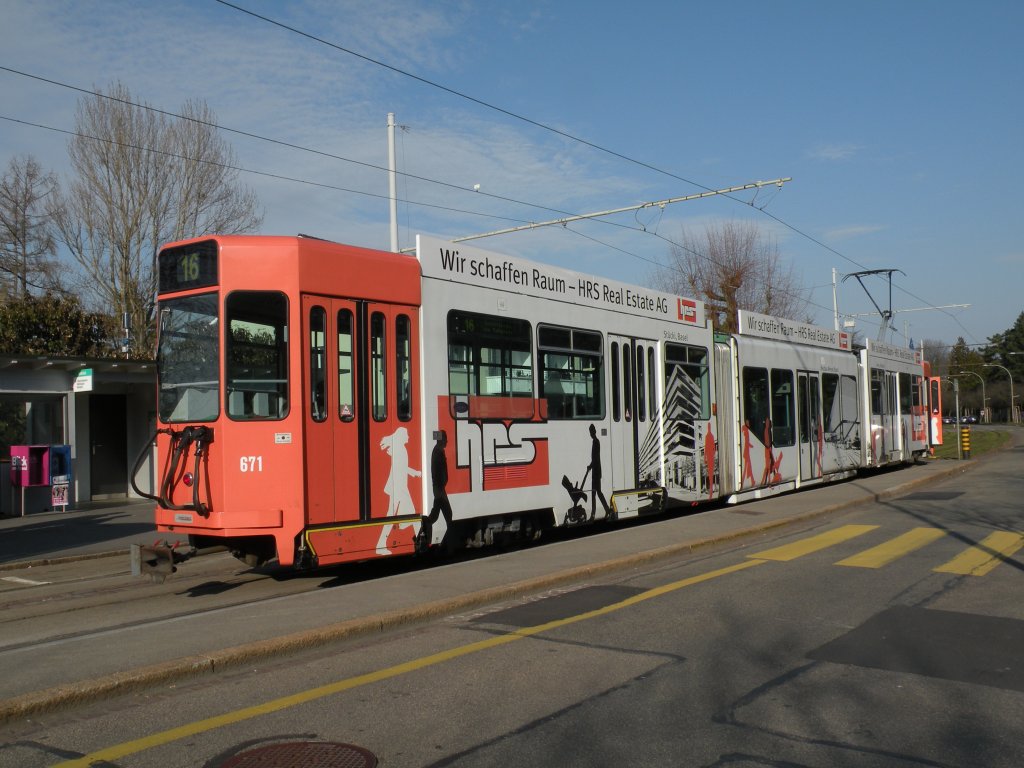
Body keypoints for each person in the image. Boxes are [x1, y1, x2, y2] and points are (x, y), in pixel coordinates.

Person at [420, 430, 453, 552]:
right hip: (439, 488)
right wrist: (441, 485)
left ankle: (427, 525)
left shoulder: (437, 450)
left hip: (438, 487)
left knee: (436, 513)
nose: (446, 441)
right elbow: (439, 472)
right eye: (445, 439)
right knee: (448, 514)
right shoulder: (438, 452)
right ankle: (444, 544)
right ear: (441, 440)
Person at [587, 424, 611, 520]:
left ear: (594, 432)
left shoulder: (596, 442)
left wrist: (590, 466)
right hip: (595, 471)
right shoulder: (594, 442)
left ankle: (593, 514)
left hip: (596, 471)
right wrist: (591, 466)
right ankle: (606, 510)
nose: (590, 434)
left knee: (595, 493)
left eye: (591, 432)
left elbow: (596, 458)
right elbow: (595, 458)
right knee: (597, 492)